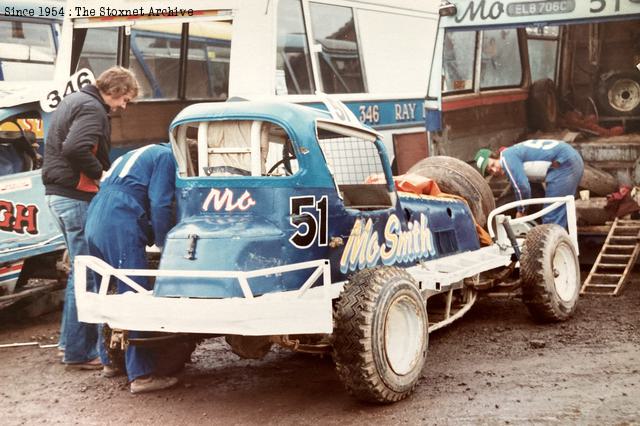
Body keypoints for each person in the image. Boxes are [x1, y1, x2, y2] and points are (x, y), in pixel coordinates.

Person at [42, 66, 139, 369]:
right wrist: (102, 174)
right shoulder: (93, 108)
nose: (124, 107)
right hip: (76, 196)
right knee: (86, 274)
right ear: (116, 91)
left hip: (57, 194)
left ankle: (68, 344)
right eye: (126, 100)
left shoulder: (74, 101)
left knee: (77, 272)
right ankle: (79, 353)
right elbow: (74, 147)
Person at [85, 143, 178, 394]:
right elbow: (160, 202)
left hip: (95, 215)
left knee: (105, 290)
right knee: (134, 292)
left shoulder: (136, 154)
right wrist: (164, 244)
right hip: (121, 217)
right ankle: (142, 375)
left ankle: (109, 361)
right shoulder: (168, 156)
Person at [474, 139, 584, 228]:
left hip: (564, 163)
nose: (494, 170)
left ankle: (552, 252)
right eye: (490, 171)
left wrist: (521, 211)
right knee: (559, 209)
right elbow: (532, 189)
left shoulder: (506, 158)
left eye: (492, 164)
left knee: (551, 216)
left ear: (495, 156)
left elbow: (522, 187)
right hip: (568, 158)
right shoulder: (513, 152)